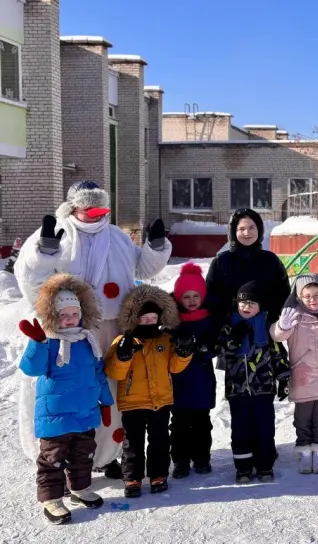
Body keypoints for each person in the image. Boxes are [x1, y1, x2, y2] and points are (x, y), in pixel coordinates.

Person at [15, 180, 172, 478]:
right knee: (68, 392)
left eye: (101, 209)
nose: (97, 215)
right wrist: (43, 254)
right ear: (74, 208)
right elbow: (29, 278)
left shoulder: (117, 237)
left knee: (110, 389)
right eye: (90, 209)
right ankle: (59, 456)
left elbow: (143, 268)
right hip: (66, 330)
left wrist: (155, 247)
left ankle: (105, 454)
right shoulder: (57, 232)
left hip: (111, 326)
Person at [18, 274, 113, 524]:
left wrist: (105, 402)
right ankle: (51, 499)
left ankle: (79, 489)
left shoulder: (88, 340)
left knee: (83, 455)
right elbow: (32, 368)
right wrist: (37, 343)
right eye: (63, 314)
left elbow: (98, 374)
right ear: (53, 315)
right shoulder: (48, 340)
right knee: (53, 459)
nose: (70, 318)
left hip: (85, 412)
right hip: (56, 416)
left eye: (74, 313)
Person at [105, 285, 193, 498]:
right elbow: (113, 372)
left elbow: (175, 367)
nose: (149, 322)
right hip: (132, 402)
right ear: (134, 319)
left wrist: (184, 352)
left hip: (160, 400)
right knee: (133, 443)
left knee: (160, 440)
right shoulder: (123, 341)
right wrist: (123, 356)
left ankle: (158, 474)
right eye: (144, 319)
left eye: (153, 318)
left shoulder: (165, 340)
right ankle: (132, 478)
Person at [271, 274, 318, 475]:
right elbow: (277, 335)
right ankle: (304, 449)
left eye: (317, 295)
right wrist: (282, 326)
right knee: (303, 418)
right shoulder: (293, 317)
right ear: (298, 297)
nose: (312, 299)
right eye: (307, 296)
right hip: (304, 377)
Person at [218, 281, 290, 483]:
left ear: (260, 306)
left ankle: (265, 465)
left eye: (251, 303)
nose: (246, 307)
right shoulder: (229, 326)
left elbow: (278, 355)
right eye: (243, 303)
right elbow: (222, 354)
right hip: (237, 390)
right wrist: (233, 339)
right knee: (241, 430)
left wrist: (284, 379)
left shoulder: (267, 327)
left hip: (263, 389)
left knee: (264, 429)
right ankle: (243, 468)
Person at [205, 208, 290, 328]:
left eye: (251, 228)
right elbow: (210, 296)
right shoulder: (221, 261)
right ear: (233, 232)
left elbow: (283, 295)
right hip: (229, 330)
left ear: (259, 229)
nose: (247, 233)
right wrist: (227, 320)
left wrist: (272, 321)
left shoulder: (271, 260)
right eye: (241, 229)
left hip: (266, 329)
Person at [170, 262, 217, 479]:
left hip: (202, 380)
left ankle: (202, 458)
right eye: (186, 296)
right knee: (179, 425)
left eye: (195, 296)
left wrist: (206, 349)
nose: (191, 301)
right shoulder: (173, 321)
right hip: (178, 381)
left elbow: (216, 344)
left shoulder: (209, 319)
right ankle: (180, 461)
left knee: (201, 423)